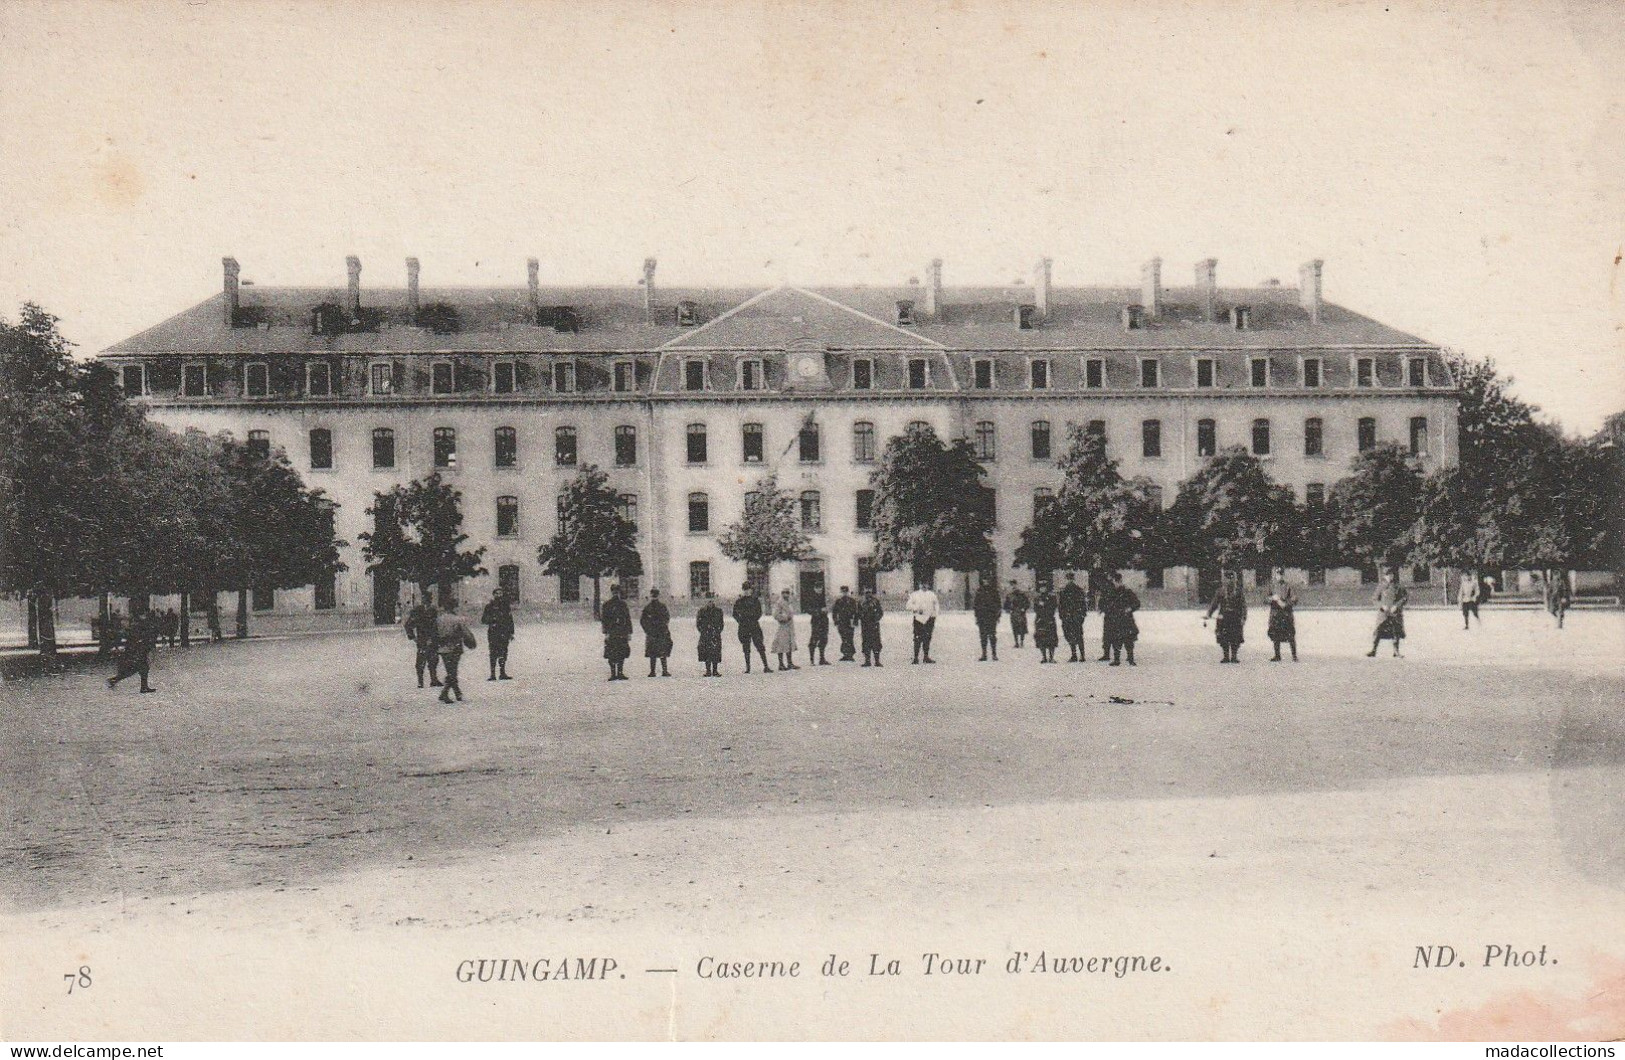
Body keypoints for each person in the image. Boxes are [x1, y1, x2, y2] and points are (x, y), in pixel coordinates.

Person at [107, 608, 161, 694]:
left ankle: (115, 680)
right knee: (137, 669)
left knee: (138, 669)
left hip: (137, 651)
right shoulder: (139, 625)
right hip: (136, 651)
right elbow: (136, 638)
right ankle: (142, 687)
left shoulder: (140, 624)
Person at [434, 607, 478, 703]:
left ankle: (457, 693)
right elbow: (466, 633)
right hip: (454, 647)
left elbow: (434, 633)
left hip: (442, 648)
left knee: (450, 670)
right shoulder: (457, 619)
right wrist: (472, 643)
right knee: (452, 671)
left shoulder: (439, 619)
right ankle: (445, 693)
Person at [1204, 571, 1248, 664]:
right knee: (1223, 637)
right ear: (1224, 580)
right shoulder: (1220, 591)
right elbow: (1214, 604)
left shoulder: (1238, 591)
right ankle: (1226, 656)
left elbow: (1243, 605)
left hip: (1235, 616)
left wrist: (1243, 617)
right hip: (1223, 617)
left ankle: (1234, 656)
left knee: (1235, 637)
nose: (1229, 581)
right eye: (1227, 579)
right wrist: (1209, 614)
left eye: (1231, 578)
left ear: (1234, 580)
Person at [1101, 571, 1140, 666]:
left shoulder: (1127, 592)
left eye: (1118, 581)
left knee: (1128, 640)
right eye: (1116, 581)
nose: (1117, 583)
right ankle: (1117, 659)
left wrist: (1130, 608)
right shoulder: (1112, 593)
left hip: (1125, 619)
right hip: (1116, 619)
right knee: (1116, 640)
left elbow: (1136, 603)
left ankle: (1130, 659)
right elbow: (1106, 604)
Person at [1367, 570, 1408, 658]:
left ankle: (1396, 652)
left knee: (1396, 631)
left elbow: (1404, 598)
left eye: (1391, 575)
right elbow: (1374, 599)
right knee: (1378, 631)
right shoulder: (1381, 587)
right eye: (1388, 575)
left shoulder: (1398, 586)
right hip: (1383, 614)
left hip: (1395, 613)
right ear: (1385, 577)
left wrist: (1397, 606)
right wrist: (1381, 606)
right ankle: (1373, 650)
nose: (1390, 577)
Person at [733, 582, 771, 674]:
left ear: (751, 590)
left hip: (754, 625)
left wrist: (753, 619)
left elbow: (759, 612)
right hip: (744, 626)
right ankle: (748, 668)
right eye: (745, 589)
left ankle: (766, 666)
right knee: (746, 647)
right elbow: (734, 614)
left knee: (760, 645)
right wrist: (740, 621)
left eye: (748, 589)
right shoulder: (739, 601)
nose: (747, 591)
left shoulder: (755, 600)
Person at [405, 599, 441, 688]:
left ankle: (434, 680)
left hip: (433, 640)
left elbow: (436, 625)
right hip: (422, 640)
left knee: (434, 660)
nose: (427, 603)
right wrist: (413, 638)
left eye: (429, 599)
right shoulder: (417, 611)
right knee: (420, 662)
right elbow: (408, 625)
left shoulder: (433, 611)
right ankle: (420, 682)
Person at [480, 589, 515, 681]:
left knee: (504, 652)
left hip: (504, 632)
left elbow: (510, 620)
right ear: (493, 594)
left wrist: (511, 632)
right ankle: (492, 674)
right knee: (493, 652)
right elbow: (483, 619)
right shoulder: (489, 606)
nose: (499, 595)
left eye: (500, 593)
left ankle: (502, 673)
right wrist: (492, 620)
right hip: (494, 632)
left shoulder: (506, 606)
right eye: (497, 593)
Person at [600, 584, 633, 681]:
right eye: (614, 591)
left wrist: (629, 632)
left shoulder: (619, 604)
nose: (615, 593)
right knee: (615, 652)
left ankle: (616, 673)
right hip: (617, 632)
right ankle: (616, 673)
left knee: (618, 652)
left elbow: (627, 618)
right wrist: (606, 632)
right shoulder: (616, 604)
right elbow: (605, 620)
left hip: (616, 632)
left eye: (616, 592)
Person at [1266, 568, 1298, 662]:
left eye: (1281, 574)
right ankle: (1277, 655)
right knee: (1275, 634)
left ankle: (1294, 655)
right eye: (1277, 574)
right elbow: (1265, 598)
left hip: (1286, 614)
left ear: (1283, 575)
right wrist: (1272, 598)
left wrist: (1286, 603)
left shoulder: (1288, 586)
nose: (1279, 576)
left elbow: (1294, 598)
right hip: (1275, 613)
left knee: (1290, 635)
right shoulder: (1272, 586)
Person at [640, 588, 673, 677]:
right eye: (653, 595)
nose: (654, 597)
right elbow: (643, 620)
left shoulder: (653, 607)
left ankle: (657, 671)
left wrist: (649, 629)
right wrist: (648, 629)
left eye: (655, 595)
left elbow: (666, 618)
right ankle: (659, 671)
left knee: (657, 652)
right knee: (657, 652)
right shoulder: (656, 607)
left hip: (657, 632)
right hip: (656, 632)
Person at [906, 580, 940, 664]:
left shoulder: (932, 595)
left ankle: (926, 657)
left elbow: (936, 605)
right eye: (923, 584)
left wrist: (934, 615)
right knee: (917, 638)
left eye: (926, 584)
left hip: (929, 619)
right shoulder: (914, 595)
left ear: (928, 585)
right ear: (919, 585)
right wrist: (917, 609)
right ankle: (916, 658)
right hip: (918, 619)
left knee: (927, 638)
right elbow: (908, 606)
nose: (924, 586)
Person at [1058, 572, 1088, 662]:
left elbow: (1083, 605)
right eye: (1068, 579)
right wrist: (1062, 616)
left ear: (1073, 580)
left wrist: (1081, 616)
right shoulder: (1065, 592)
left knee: (1077, 636)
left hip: (1074, 617)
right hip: (1069, 617)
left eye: (1070, 579)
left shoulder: (1077, 591)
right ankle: (1074, 654)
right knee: (1072, 636)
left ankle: (1081, 655)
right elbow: (1061, 606)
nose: (1069, 581)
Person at [972, 577, 1002, 661]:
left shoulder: (994, 591)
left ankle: (994, 653)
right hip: (982, 617)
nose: (986, 582)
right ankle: (984, 653)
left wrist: (998, 616)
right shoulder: (979, 591)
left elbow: (998, 604)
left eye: (987, 580)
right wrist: (977, 617)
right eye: (984, 580)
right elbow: (976, 605)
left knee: (992, 635)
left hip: (991, 617)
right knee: (983, 636)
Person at [696, 592, 725, 677]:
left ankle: (715, 670)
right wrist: (702, 631)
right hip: (705, 634)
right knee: (706, 652)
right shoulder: (702, 611)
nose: (710, 602)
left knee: (715, 652)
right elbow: (698, 623)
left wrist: (718, 630)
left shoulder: (718, 611)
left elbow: (721, 623)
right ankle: (708, 670)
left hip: (715, 634)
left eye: (711, 601)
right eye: (708, 601)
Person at [770, 588, 800, 671]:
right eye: (784, 593)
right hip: (783, 626)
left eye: (787, 593)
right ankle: (781, 664)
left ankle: (790, 663)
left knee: (789, 644)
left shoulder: (789, 602)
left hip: (790, 626)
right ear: (782, 594)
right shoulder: (779, 603)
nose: (786, 595)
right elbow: (775, 615)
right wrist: (785, 617)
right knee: (781, 644)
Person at [831, 585, 859, 662]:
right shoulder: (838, 601)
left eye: (845, 592)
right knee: (844, 638)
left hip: (850, 621)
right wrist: (836, 621)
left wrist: (855, 621)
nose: (844, 593)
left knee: (850, 637)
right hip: (841, 622)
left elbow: (856, 612)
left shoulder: (852, 601)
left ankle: (851, 654)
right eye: (843, 592)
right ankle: (845, 654)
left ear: (848, 592)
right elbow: (834, 612)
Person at [1032, 584, 1059, 663]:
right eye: (1041, 587)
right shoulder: (1037, 598)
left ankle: (1051, 657)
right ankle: (1044, 657)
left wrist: (1047, 611)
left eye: (1044, 587)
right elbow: (1035, 608)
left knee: (1051, 639)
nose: (1042, 589)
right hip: (1040, 620)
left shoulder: (1052, 597)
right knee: (1041, 638)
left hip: (1049, 619)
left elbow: (1053, 607)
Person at [858, 587, 885, 666]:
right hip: (865, 625)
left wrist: (876, 618)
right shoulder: (861, 602)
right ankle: (867, 660)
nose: (868, 593)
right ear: (863, 591)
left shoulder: (876, 601)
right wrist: (862, 617)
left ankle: (877, 661)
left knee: (876, 642)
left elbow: (880, 612)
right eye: (866, 591)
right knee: (866, 642)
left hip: (874, 625)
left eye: (869, 591)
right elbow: (858, 612)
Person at [807, 593, 831, 665]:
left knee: (823, 640)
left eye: (820, 588)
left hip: (824, 621)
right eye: (817, 588)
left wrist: (827, 610)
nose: (819, 590)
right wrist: (819, 611)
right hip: (816, 622)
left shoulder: (824, 597)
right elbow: (808, 610)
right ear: (815, 589)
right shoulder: (811, 598)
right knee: (814, 639)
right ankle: (812, 660)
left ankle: (822, 659)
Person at [1005, 581, 1030, 648]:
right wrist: (1008, 609)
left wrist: (1024, 608)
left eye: (1014, 585)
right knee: (1014, 628)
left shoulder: (1022, 595)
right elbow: (1006, 605)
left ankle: (1021, 641)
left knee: (1022, 627)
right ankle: (1016, 642)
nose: (1014, 587)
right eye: (1012, 586)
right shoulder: (1009, 595)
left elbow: (1027, 603)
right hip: (1013, 613)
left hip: (1021, 613)